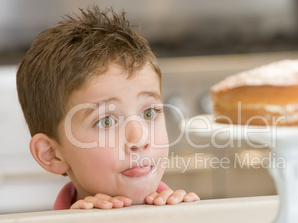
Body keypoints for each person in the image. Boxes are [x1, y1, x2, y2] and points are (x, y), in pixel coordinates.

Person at [16, 6, 200, 210]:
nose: (139, 139)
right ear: (52, 154)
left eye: (148, 113)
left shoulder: (178, 210)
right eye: (106, 121)